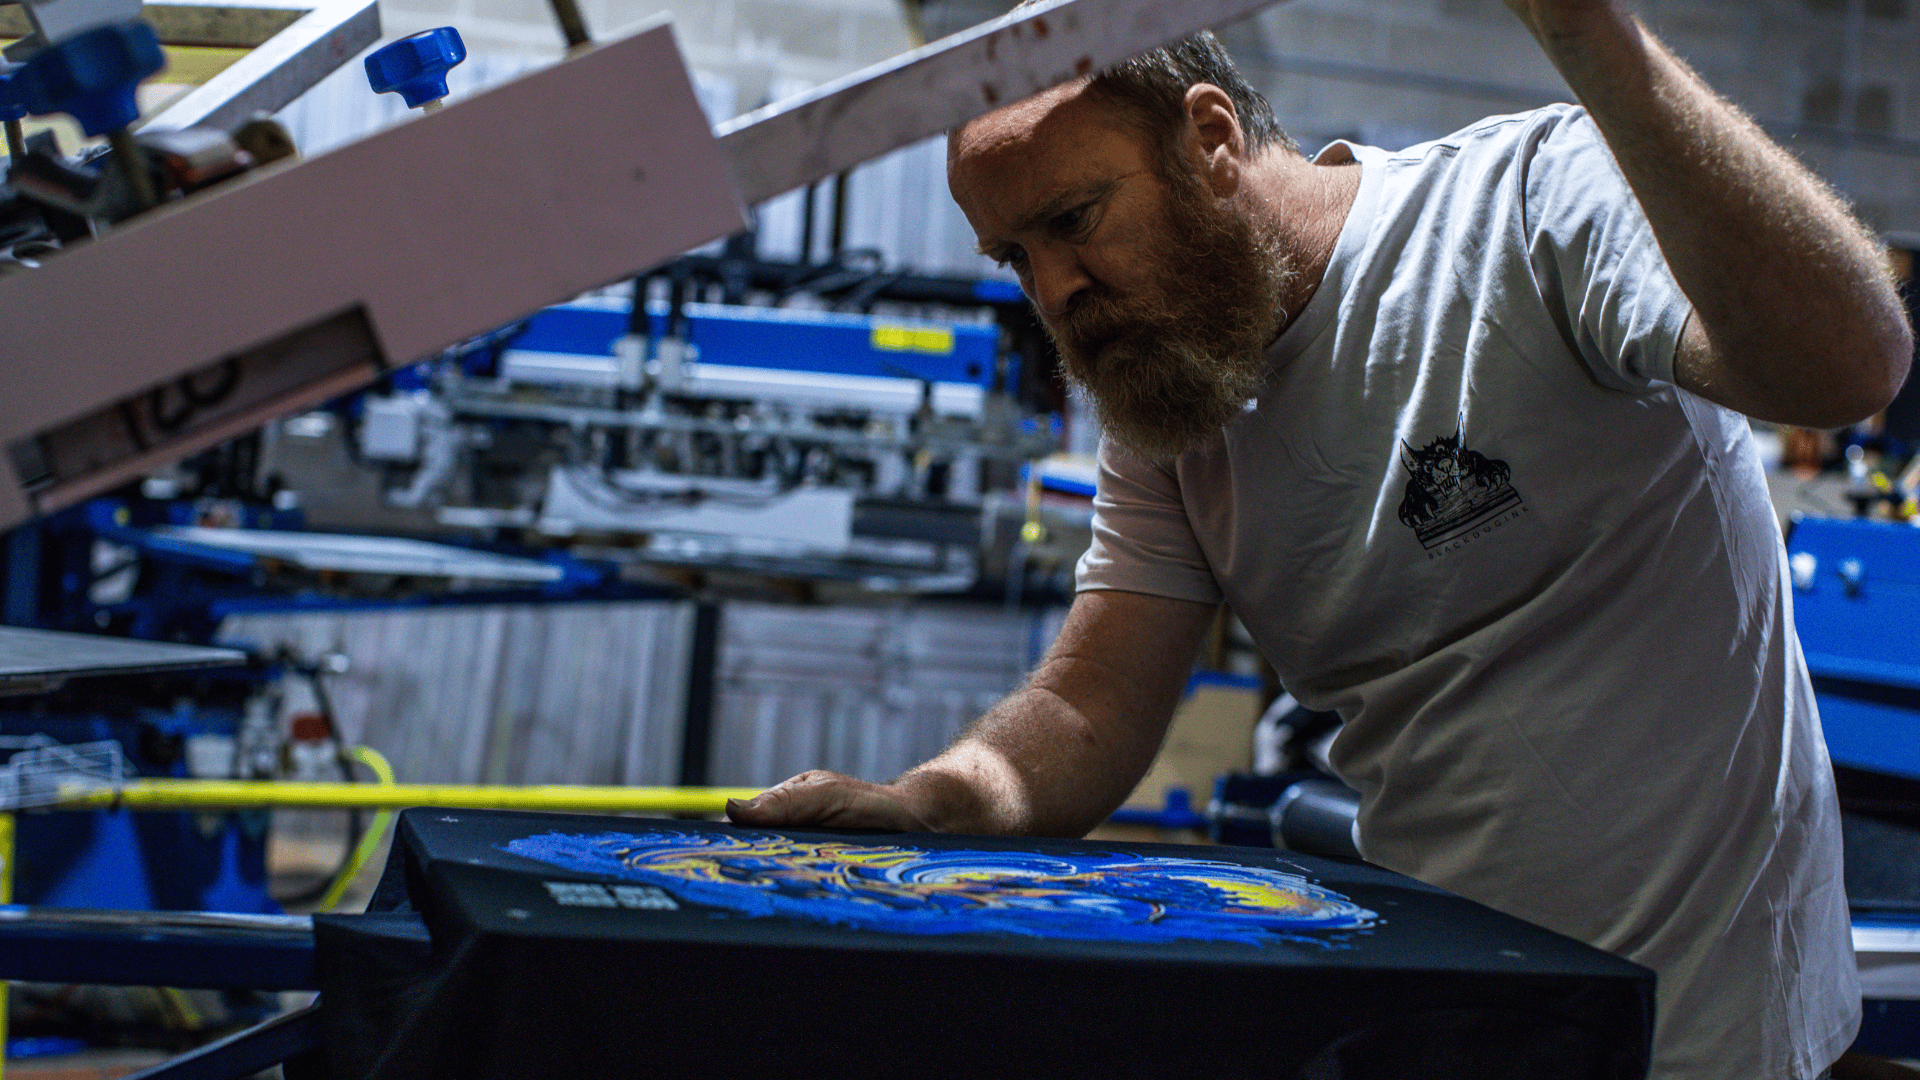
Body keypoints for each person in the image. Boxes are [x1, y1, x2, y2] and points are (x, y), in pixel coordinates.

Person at [728, 1, 1915, 1076]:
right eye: (1016, 259)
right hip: (1451, 1011)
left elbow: (1849, 365)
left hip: (1705, 1031)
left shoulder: (1524, 211)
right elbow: (1094, 696)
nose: (1057, 292)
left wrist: (1590, 34)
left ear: (1209, 138)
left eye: (1074, 221)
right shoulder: (1176, 406)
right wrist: (934, 804)